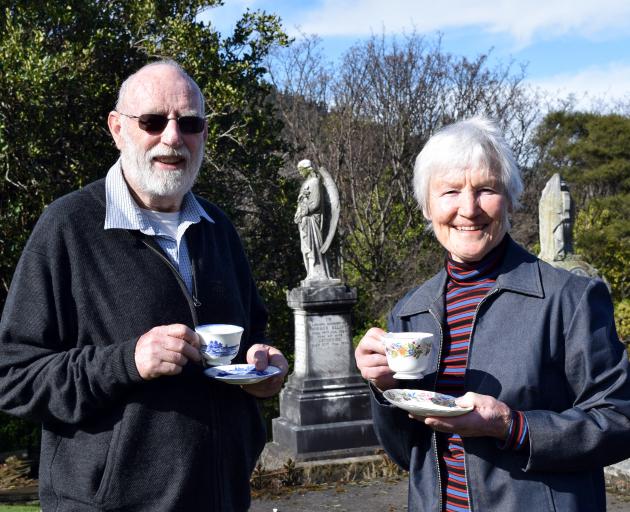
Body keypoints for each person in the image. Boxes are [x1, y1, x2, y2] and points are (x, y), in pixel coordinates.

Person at [0, 60, 288, 511]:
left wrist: (262, 369)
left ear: (204, 134)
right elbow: (13, 376)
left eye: (189, 123)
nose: (172, 137)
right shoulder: (68, 226)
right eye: (153, 121)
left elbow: (252, 334)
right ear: (118, 129)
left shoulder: (218, 228)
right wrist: (127, 361)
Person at [354, 116, 630, 511]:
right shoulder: (410, 311)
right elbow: (407, 455)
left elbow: (619, 418)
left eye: (485, 189)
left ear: (511, 198)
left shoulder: (568, 298)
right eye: (450, 191)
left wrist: (511, 426)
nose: (469, 209)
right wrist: (381, 389)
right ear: (427, 206)